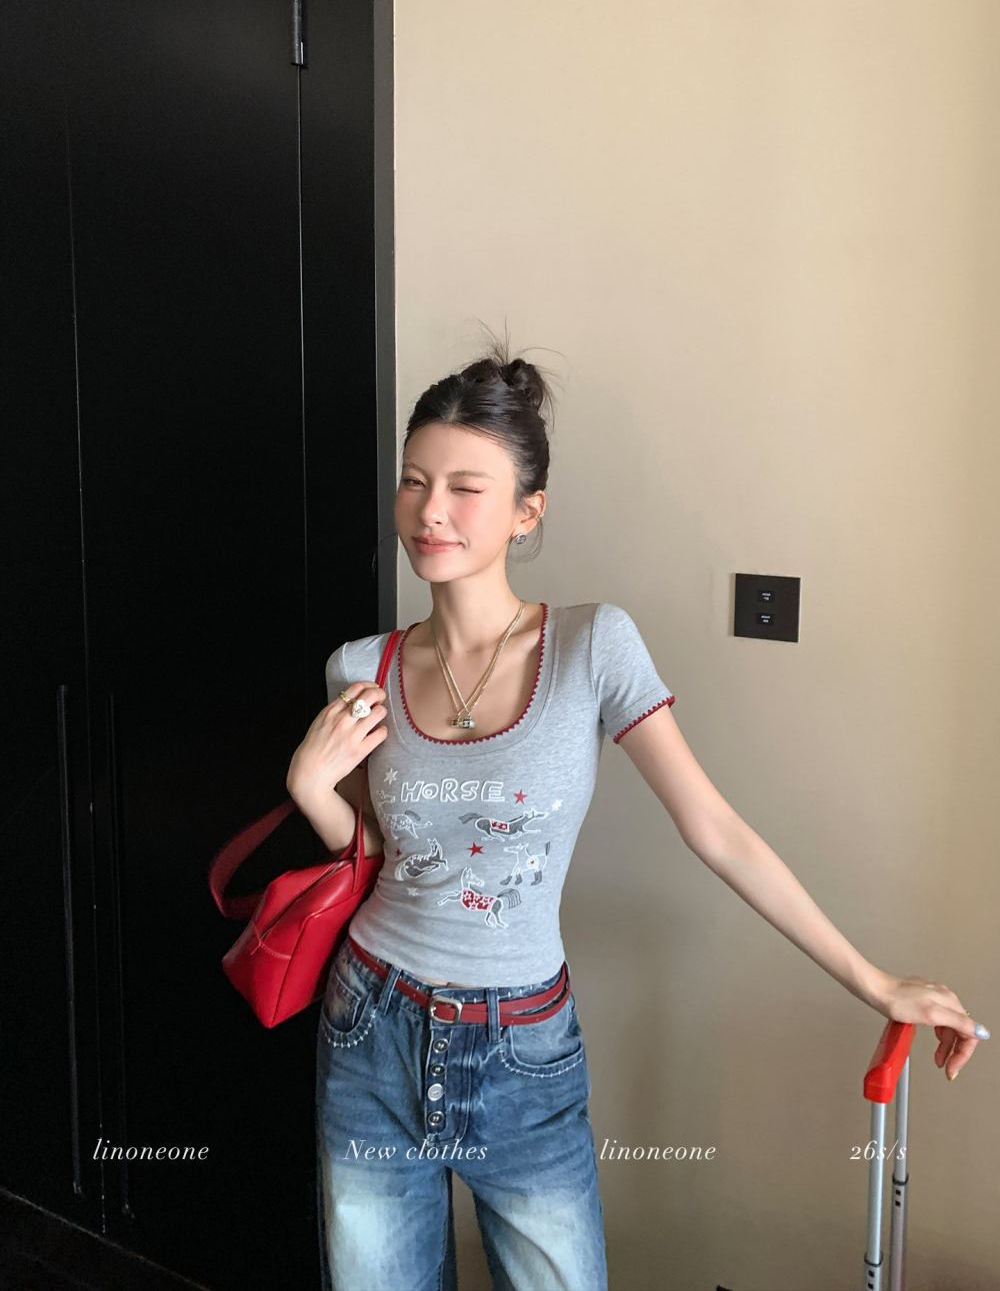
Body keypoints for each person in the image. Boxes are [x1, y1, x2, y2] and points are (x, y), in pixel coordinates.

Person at [286, 341, 989, 1291]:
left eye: (465, 487)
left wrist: (874, 980)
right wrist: (312, 791)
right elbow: (386, 859)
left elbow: (715, 829)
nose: (430, 509)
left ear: (528, 511)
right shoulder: (358, 666)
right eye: (414, 481)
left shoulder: (591, 646)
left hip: (523, 1047)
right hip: (370, 1025)